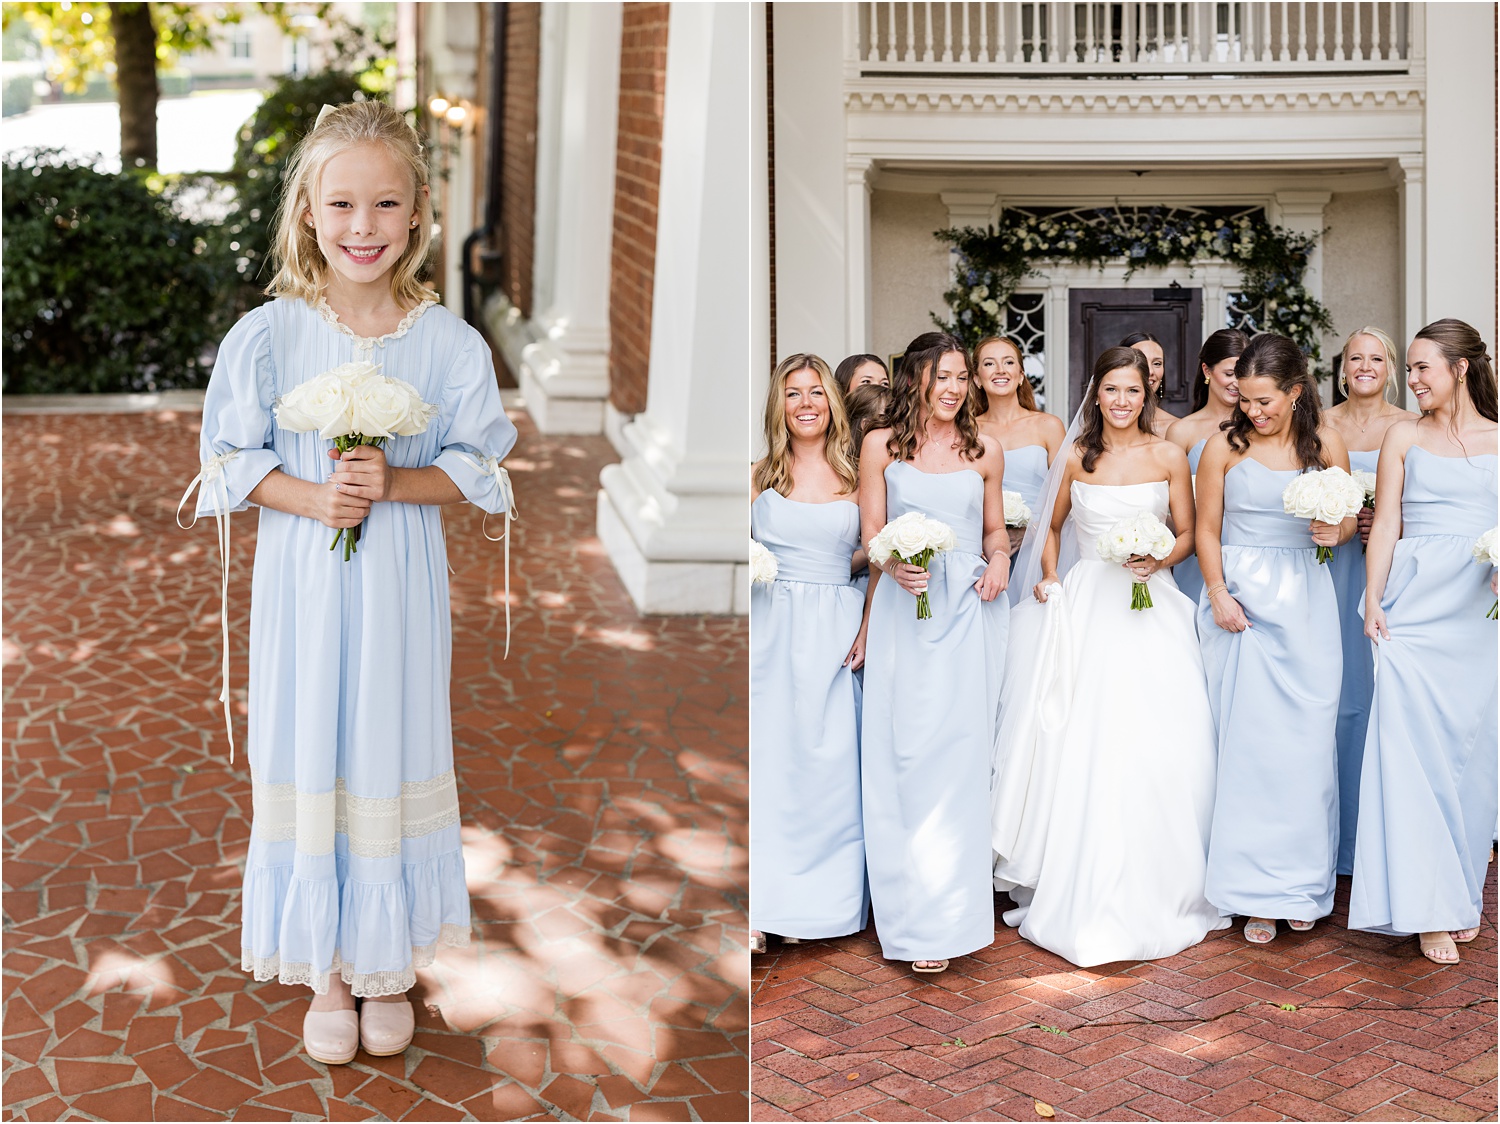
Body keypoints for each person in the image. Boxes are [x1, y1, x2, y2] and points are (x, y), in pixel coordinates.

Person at [181, 102, 517, 1065]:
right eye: (342, 205)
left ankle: (388, 964)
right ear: (309, 216)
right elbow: (226, 460)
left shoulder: (448, 344)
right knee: (312, 735)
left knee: (389, 735)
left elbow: (482, 463)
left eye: (384, 203)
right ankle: (327, 965)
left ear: (417, 215)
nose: (362, 226)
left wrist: (397, 481)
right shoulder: (271, 336)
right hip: (304, 584)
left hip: (400, 583)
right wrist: (307, 493)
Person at [992, 347, 1229, 966]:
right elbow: (1048, 527)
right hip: (1092, 603)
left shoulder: (1169, 454)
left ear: (1147, 392)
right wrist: (1048, 576)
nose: (1121, 401)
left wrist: (1160, 560)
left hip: (1154, 607)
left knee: (1163, 741)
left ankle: (1169, 879)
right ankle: (1085, 876)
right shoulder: (1075, 455)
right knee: (1091, 738)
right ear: (1094, 393)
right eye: (1110, 390)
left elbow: (1187, 531)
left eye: (1132, 390)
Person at [1195, 333, 1355, 944]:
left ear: (1295, 391)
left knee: (1307, 749)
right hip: (1243, 606)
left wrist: (1331, 532)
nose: (1254, 412)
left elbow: (1344, 524)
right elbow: (1207, 530)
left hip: (1308, 605)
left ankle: (1301, 887)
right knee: (1250, 751)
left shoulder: (1326, 444)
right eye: (1245, 401)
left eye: (1265, 401)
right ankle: (1252, 893)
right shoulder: (1221, 449)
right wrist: (1217, 593)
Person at [859, 331, 1010, 974]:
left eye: (960, 378)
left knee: (960, 758)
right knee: (906, 754)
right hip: (905, 612)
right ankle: (908, 917)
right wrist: (892, 564)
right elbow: (870, 534)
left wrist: (1000, 559)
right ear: (915, 378)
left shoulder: (985, 450)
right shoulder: (880, 447)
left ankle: (954, 916)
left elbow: (996, 530)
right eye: (941, 377)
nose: (953, 389)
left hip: (967, 613)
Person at [1350, 318, 1499, 965]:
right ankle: (1427, 908)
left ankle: (1461, 888)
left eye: (1420, 368)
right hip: (1413, 611)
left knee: (1470, 758)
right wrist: (1373, 597)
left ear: (1460, 369)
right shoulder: (1403, 436)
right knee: (1410, 753)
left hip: (1479, 615)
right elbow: (1386, 521)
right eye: (1407, 369)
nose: (1410, 380)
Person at [749, 355, 869, 955]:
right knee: (771, 763)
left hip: (833, 630)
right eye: (793, 393)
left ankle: (814, 906)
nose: (806, 403)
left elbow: (877, 558)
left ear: (832, 403)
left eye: (816, 393)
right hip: (770, 630)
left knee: (826, 769)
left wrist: (868, 624)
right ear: (780, 405)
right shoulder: (758, 477)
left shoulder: (858, 476)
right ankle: (759, 903)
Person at [1322, 327, 1416, 875]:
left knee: (1379, 691)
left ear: (1391, 367)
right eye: (1355, 357)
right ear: (1342, 368)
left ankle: (1378, 836)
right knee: (1332, 688)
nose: (1364, 366)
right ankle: (1334, 838)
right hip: (1331, 567)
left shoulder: (1409, 426)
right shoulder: (1321, 423)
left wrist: (1384, 525)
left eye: (1375, 358)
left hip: (1386, 567)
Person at [1165, 329, 1250, 607]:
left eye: (1243, 373)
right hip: (1197, 551)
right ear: (1207, 370)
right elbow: (1170, 506)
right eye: (1229, 373)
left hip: (1249, 544)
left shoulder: (1260, 428)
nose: (1237, 383)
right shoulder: (1181, 431)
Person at [972, 335, 1066, 554]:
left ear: (1021, 375)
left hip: (1039, 544)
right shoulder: (967, 430)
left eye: (1009, 362)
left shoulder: (1048, 426)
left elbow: (1065, 492)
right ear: (977, 378)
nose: (1000, 370)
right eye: (989, 363)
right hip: (982, 547)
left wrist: (1032, 531)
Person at [1120, 331, 1176, 436]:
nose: (1150, 371)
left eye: (1157, 363)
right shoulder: (1103, 425)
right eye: (1141, 361)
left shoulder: (1175, 428)